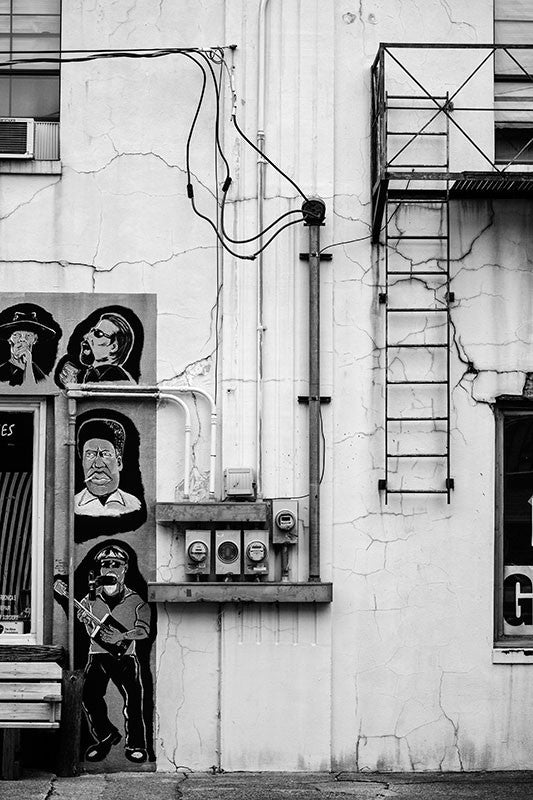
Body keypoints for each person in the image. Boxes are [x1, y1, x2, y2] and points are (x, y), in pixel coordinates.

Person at [76, 545, 151, 763]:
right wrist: (86, 622)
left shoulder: (136, 601)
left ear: (124, 568)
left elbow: (144, 631)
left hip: (125, 657)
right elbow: (93, 633)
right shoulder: (89, 600)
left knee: (133, 701)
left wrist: (121, 636)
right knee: (88, 695)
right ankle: (106, 736)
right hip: (98, 656)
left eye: (115, 564)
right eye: (105, 565)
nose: (110, 569)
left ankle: (136, 745)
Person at [74, 418, 141, 517]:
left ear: (118, 463)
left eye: (105, 454)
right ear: (82, 462)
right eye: (90, 455)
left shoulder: (134, 505)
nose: (98, 465)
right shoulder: (73, 505)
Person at [0, 309, 57, 386]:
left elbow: (35, 390)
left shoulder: (38, 373)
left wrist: (28, 363)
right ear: (9, 339)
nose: (22, 339)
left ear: (35, 340)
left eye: (28, 335)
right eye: (16, 335)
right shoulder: (2, 372)